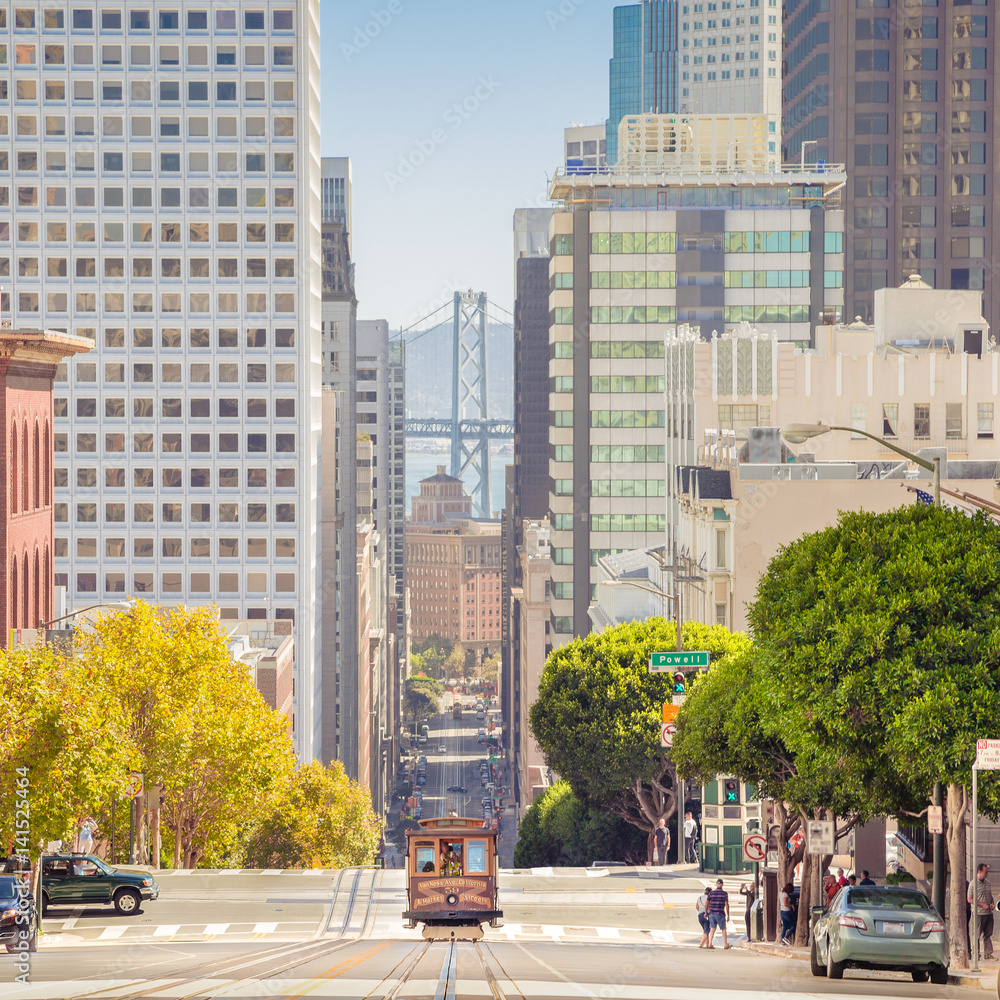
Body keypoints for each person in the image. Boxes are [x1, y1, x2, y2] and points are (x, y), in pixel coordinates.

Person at [968, 862, 995, 960]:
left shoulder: (988, 883)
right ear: (979, 871)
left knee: (988, 934)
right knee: (977, 934)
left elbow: (990, 895)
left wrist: (992, 903)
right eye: (985, 872)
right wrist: (981, 904)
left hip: (988, 913)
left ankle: (988, 954)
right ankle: (976, 954)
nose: (986, 874)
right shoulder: (972, 884)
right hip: (979, 913)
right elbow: (969, 899)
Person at [705, 878, 732, 949]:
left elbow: (707, 903)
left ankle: (710, 943)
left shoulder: (711, 893)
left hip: (712, 913)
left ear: (716, 885)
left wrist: (706, 912)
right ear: (722, 885)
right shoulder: (724, 894)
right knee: (723, 929)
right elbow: (726, 904)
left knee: (712, 929)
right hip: (720, 913)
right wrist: (728, 915)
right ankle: (725, 944)